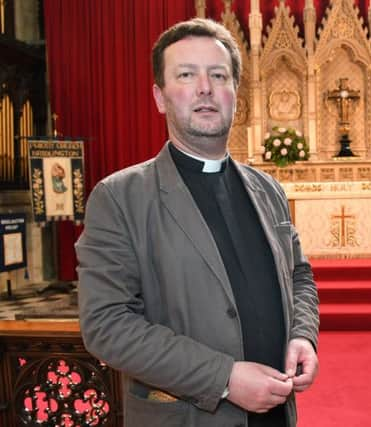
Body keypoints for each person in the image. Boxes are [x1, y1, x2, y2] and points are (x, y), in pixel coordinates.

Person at [75, 18, 319, 427]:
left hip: (277, 414)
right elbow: (106, 325)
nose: (205, 88)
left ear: (235, 95)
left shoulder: (269, 189)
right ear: (159, 96)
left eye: (218, 75)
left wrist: (302, 335)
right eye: (186, 74)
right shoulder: (118, 198)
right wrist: (224, 378)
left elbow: (299, 276)